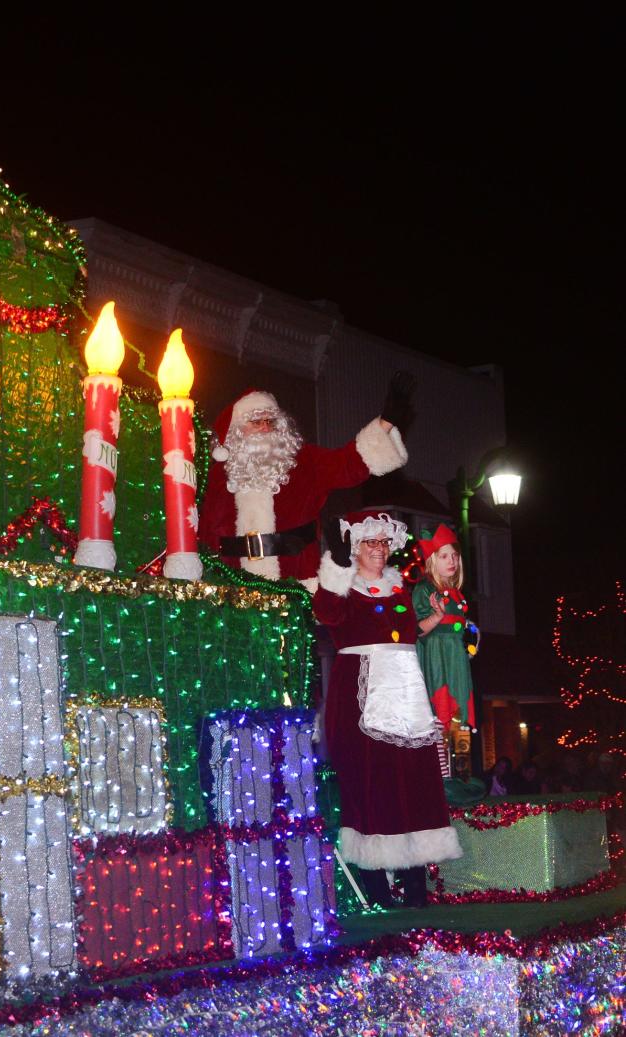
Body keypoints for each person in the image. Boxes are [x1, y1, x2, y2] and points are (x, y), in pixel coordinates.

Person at [315, 509, 461, 908]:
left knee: (412, 780)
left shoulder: (399, 588)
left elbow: (405, 633)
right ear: (355, 547)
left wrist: (432, 619)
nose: (379, 550)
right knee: (372, 782)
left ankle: (415, 885)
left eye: (383, 542)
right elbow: (326, 614)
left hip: (406, 692)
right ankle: (377, 888)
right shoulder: (343, 587)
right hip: (361, 697)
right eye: (370, 542)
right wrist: (337, 566)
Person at [197, 374, 414, 591]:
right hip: (234, 589)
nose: (264, 428)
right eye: (256, 422)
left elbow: (349, 462)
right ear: (236, 430)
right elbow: (205, 534)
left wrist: (386, 422)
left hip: (295, 587)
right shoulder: (218, 476)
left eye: (270, 422)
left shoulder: (305, 461)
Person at [413, 525, 476, 738]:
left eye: (455, 556)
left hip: (456, 658)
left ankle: (455, 764)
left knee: (459, 719)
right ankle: (440, 765)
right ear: (432, 559)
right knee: (439, 717)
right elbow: (416, 629)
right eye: (444, 556)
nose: (452, 561)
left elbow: (461, 625)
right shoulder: (425, 589)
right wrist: (436, 617)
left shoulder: (456, 593)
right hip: (437, 657)